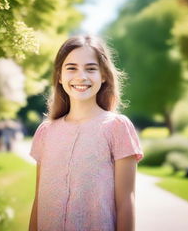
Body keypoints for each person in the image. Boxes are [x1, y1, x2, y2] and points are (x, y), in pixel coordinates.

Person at [29, 35, 144, 231]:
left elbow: (126, 202)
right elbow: (39, 199)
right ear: (59, 75)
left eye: (91, 69)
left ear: (104, 75)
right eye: (71, 68)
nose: (81, 76)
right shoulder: (45, 132)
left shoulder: (117, 127)